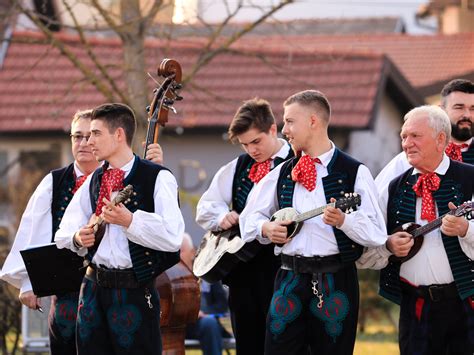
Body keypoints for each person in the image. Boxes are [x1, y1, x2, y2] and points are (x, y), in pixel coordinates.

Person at [0, 109, 164, 354]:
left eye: (90, 135)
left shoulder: (126, 176)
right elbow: (32, 230)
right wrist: (27, 282)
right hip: (65, 288)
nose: (84, 142)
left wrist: (154, 166)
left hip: (113, 288)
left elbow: (154, 213)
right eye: (77, 136)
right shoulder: (54, 181)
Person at [239, 90, 387, 354]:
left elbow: (377, 233)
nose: (285, 130)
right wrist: (266, 228)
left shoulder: (354, 172)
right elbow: (248, 218)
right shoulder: (283, 171)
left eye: (290, 121)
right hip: (289, 277)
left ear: (313, 121)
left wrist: (345, 221)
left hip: (336, 278)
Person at [54, 103, 184, 354]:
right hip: (92, 289)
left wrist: (130, 221)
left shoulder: (158, 177)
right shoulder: (94, 179)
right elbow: (64, 232)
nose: (89, 141)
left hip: (134, 290)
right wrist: (78, 238)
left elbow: (173, 236)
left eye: (96, 133)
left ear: (119, 135)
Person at [358, 105, 474, 355]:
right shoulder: (392, 187)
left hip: (465, 302)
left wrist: (466, 229)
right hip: (415, 305)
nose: (407, 143)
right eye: (403, 136)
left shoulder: (470, 179)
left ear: (440, 139)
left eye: (415, 136)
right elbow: (367, 241)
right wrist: (388, 245)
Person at [195, 98, 294, 355]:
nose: (251, 150)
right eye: (245, 144)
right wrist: (221, 218)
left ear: (273, 129)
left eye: (256, 141)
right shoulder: (237, 167)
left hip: (282, 268)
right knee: (247, 342)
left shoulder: (297, 162)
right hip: (242, 269)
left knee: (284, 340)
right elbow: (206, 206)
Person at [375, 78, 474, 192]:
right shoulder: (408, 160)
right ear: (442, 110)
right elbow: (375, 201)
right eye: (459, 107)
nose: (467, 115)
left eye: (473, 108)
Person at [181, 232, 231, 355]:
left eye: (180, 251)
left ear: (192, 252)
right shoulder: (167, 277)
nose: (177, 256)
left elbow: (222, 305)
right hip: (177, 325)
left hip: (204, 323)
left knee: (209, 324)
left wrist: (204, 313)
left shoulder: (206, 272)